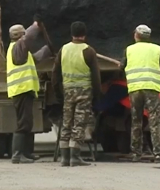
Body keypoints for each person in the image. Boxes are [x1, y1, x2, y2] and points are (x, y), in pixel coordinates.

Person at [51, 21, 101, 167]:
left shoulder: (63, 50)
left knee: (66, 122)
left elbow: (55, 74)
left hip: (67, 91)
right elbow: (96, 77)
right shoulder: (89, 51)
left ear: (71, 34)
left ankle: (64, 158)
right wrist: (97, 95)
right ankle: (75, 157)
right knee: (79, 123)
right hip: (84, 93)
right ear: (84, 35)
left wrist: (58, 93)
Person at [120, 24, 160, 163]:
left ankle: (136, 153)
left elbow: (121, 68)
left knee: (136, 121)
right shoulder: (156, 49)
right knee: (155, 121)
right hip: (152, 88)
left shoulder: (129, 50)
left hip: (135, 89)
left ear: (136, 35)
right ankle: (159, 154)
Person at [7, 15, 52, 164]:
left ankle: (27, 152)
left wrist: (47, 50)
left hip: (25, 90)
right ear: (20, 36)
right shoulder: (17, 47)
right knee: (23, 123)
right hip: (20, 90)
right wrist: (35, 25)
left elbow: (35, 58)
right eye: (23, 34)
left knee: (28, 122)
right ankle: (17, 155)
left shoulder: (21, 52)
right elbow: (28, 39)